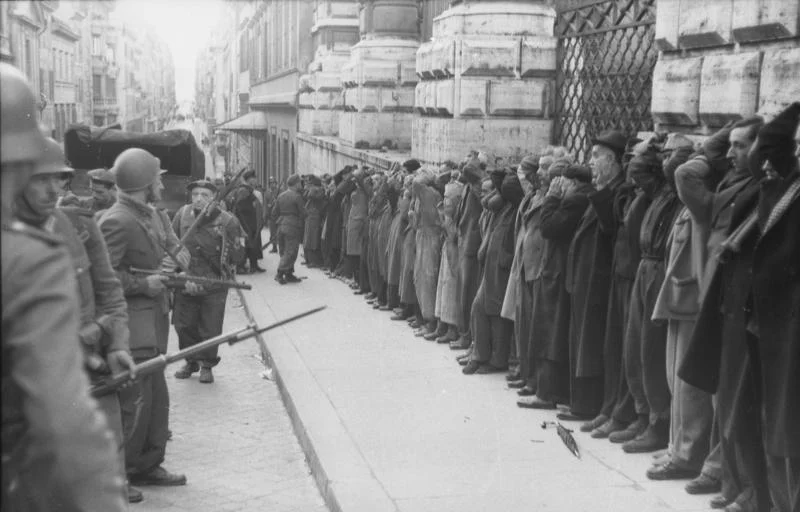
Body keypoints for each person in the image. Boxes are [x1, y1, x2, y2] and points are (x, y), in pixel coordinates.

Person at [1, 62, 127, 511]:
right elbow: (62, 423)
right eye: (40, 175)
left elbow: (107, 285)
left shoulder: (70, 226)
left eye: (59, 178)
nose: (53, 188)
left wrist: (114, 340)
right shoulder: (26, 257)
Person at [99, 147, 190, 488]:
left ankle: (148, 464)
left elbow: (171, 250)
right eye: (157, 180)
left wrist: (174, 266)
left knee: (156, 400)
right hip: (131, 327)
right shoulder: (116, 220)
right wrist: (143, 284)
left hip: (153, 322)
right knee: (134, 401)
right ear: (142, 183)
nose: (161, 187)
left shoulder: (149, 215)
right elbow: (104, 278)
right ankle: (120, 474)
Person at [744, 103, 800, 512]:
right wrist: (796, 109)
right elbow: (767, 150)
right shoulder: (785, 186)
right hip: (775, 326)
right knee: (775, 430)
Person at [620, 146, 684, 454]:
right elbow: (631, 224)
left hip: (659, 269)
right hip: (645, 267)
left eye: (640, 176)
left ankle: (657, 423)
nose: (635, 183)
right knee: (634, 345)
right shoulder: (652, 197)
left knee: (651, 348)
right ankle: (642, 412)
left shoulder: (673, 196)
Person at [171, 180, 245, 384]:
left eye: (204, 194)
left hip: (214, 283)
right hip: (187, 281)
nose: (198, 198)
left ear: (214, 197)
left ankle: (206, 365)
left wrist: (230, 244)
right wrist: (179, 273)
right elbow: (171, 244)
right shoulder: (182, 214)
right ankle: (191, 361)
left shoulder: (227, 220)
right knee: (184, 326)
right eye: (195, 194)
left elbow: (239, 254)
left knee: (210, 327)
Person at [463, 172, 522, 374]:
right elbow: (487, 202)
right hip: (491, 267)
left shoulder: (513, 208)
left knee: (497, 315)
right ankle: (479, 355)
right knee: (479, 308)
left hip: (503, 268)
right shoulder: (499, 208)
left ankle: (497, 361)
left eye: (497, 189)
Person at [274, 174, 307, 284]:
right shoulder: (297, 196)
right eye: (299, 183)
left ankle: (288, 273)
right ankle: (279, 273)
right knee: (291, 251)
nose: (301, 185)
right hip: (292, 226)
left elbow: (274, 212)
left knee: (283, 250)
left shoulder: (280, 196)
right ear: (296, 184)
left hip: (281, 225)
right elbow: (303, 213)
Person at [233, 170, 265, 273]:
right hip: (246, 222)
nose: (256, 180)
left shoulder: (249, 189)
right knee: (246, 244)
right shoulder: (243, 190)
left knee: (254, 243)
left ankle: (254, 265)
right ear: (249, 179)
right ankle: (241, 266)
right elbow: (239, 208)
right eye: (254, 178)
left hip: (252, 221)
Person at [303, 174, 326, 268]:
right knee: (307, 239)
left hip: (315, 216)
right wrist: (307, 188)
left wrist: (311, 188)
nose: (308, 183)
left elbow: (312, 196)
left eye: (310, 182)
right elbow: (305, 196)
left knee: (312, 239)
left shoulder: (319, 190)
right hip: (309, 216)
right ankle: (308, 259)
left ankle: (314, 261)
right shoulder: (313, 189)